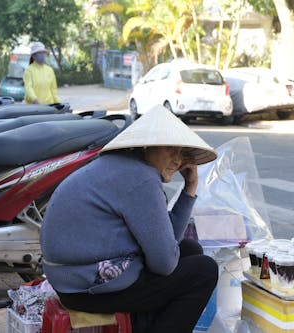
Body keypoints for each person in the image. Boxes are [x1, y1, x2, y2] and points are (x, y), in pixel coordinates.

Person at [40, 105, 219, 333]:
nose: (177, 159)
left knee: (190, 249)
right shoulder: (141, 179)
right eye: (170, 148)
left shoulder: (126, 167)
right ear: (148, 145)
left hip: (73, 281)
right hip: (87, 288)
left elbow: (169, 246)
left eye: (182, 152)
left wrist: (189, 188)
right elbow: (165, 264)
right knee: (204, 271)